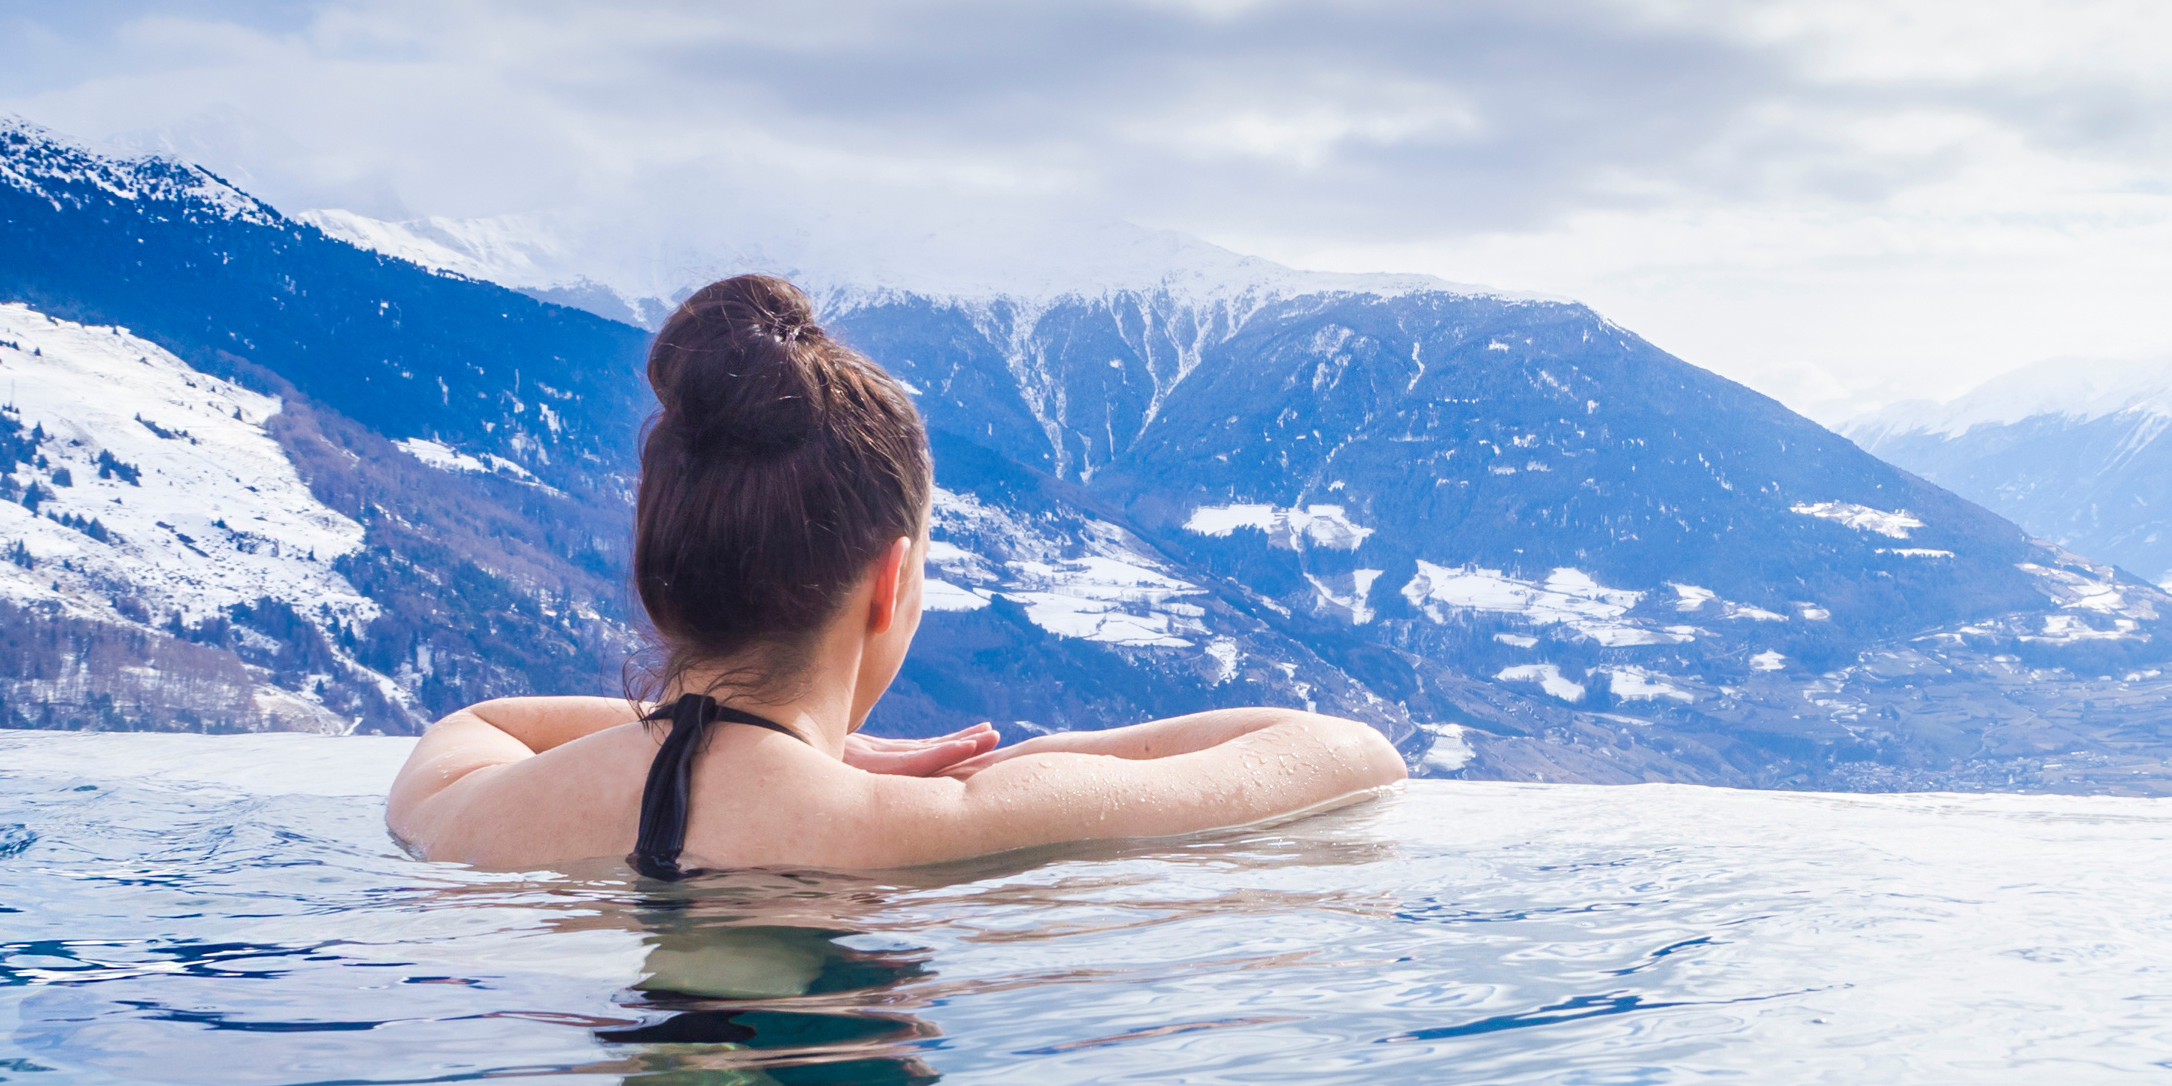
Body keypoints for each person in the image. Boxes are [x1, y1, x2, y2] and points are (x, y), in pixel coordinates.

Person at [387, 274, 1407, 872]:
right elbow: (1344, 752)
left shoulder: (472, 816)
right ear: (892, 581)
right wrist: (967, 757)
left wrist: (760, 738)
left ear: (663, 572)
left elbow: (479, 724)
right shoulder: (936, 827)